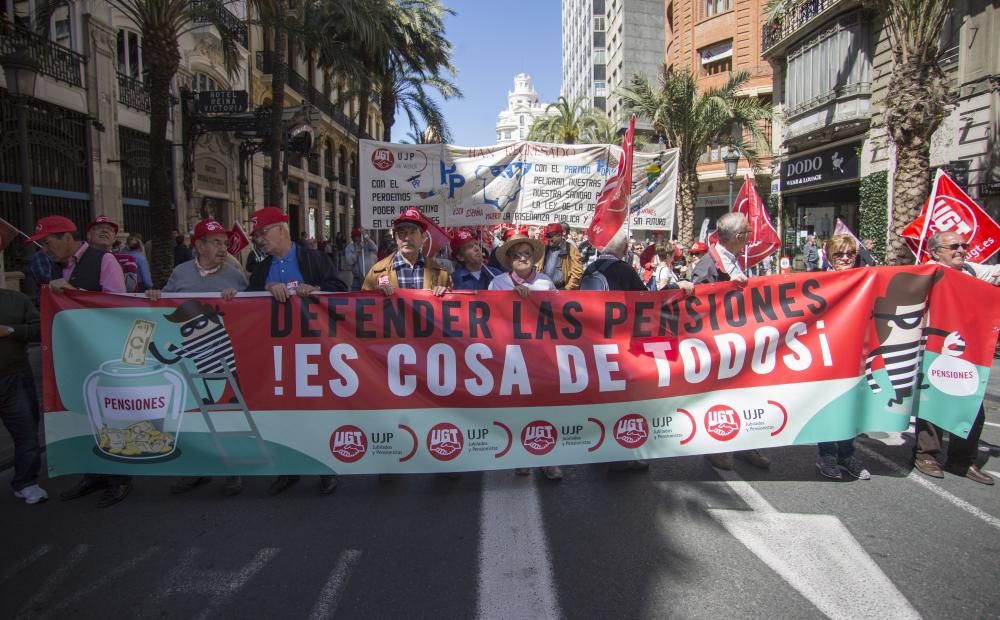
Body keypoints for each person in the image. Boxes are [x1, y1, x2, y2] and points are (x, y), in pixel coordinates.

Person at [29, 216, 131, 507]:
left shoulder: (104, 260)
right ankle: (95, 472)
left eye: (47, 243)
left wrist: (73, 294)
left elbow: (116, 305)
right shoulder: (63, 266)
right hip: (79, 355)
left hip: (104, 352)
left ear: (66, 237)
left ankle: (120, 478)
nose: (45, 250)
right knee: (87, 414)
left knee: (110, 414)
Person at [248, 207, 347, 495]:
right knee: (282, 412)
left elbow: (339, 288)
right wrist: (267, 287)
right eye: (256, 237)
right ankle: (287, 469)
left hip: (312, 349)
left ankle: (324, 469)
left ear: (281, 229)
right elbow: (247, 300)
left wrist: (315, 288)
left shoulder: (313, 258)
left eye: (263, 233)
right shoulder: (263, 268)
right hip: (277, 353)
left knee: (316, 411)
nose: (260, 241)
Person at [146, 218, 248, 495]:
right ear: (199, 246)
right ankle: (196, 470)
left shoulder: (234, 275)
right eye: (215, 243)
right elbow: (165, 307)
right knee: (191, 416)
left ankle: (232, 470)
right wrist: (155, 295)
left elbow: (253, 312)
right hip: (190, 362)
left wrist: (237, 297)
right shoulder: (180, 273)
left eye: (224, 243)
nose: (222, 248)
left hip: (223, 360)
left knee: (226, 416)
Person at [584, 230, 694, 472]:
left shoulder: (590, 269)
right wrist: (676, 286)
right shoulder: (623, 270)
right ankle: (622, 455)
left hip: (596, 342)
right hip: (620, 343)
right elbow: (648, 301)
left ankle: (601, 449)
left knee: (604, 399)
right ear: (624, 250)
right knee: (623, 401)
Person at [911, 230, 998, 485]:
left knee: (972, 404)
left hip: (968, 351)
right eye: (953, 247)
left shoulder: (971, 270)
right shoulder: (926, 273)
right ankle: (925, 455)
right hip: (933, 347)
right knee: (932, 403)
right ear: (935, 252)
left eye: (964, 245)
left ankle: (963, 460)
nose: (961, 250)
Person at [691, 212, 771, 471]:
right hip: (717, 346)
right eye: (748, 233)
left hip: (739, 341)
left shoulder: (733, 260)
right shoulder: (707, 266)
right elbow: (697, 308)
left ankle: (747, 445)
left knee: (745, 394)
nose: (751, 238)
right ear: (738, 238)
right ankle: (717, 447)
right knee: (719, 398)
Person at [488, 232, 563, 481]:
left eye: (527, 254)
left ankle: (547, 459)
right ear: (509, 259)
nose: (522, 258)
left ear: (534, 258)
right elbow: (487, 317)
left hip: (541, 356)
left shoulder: (545, 283)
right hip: (510, 356)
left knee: (545, 408)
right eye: (517, 255)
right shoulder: (498, 284)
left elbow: (559, 317)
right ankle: (521, 457)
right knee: (517, 408)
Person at [815, 235, 871, 481]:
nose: (846, 258)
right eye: (840, 254)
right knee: (828, 404)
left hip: (855, 354)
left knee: (849, 405)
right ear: (829, 256)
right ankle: (827, 455)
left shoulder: (865, 279)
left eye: (850, 254)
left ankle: (847, 454)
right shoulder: (816, 280)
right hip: (826, 352)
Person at [1, 287, 46, 504]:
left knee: (26, 431)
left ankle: (26, 482)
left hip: (15, 376)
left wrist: (10, 330)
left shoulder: (16, 299)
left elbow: (40, 329)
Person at [84, 216, 139, 293]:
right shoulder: (77, 259)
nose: (104, 230)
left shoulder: (127, 260)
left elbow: (130, 290)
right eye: (99, 227)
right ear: (88, 235)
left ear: (114, 238)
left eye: (110, 229)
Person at [537, 222, 583, 290]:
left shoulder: (570, 248)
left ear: (559, 235)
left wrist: (567, 288)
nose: (548, 239)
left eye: (550, 236)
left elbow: (578, 271)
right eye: (547, 236)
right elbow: (539, 268)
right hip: (545, 289)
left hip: (562, 290)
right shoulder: (545, 249)